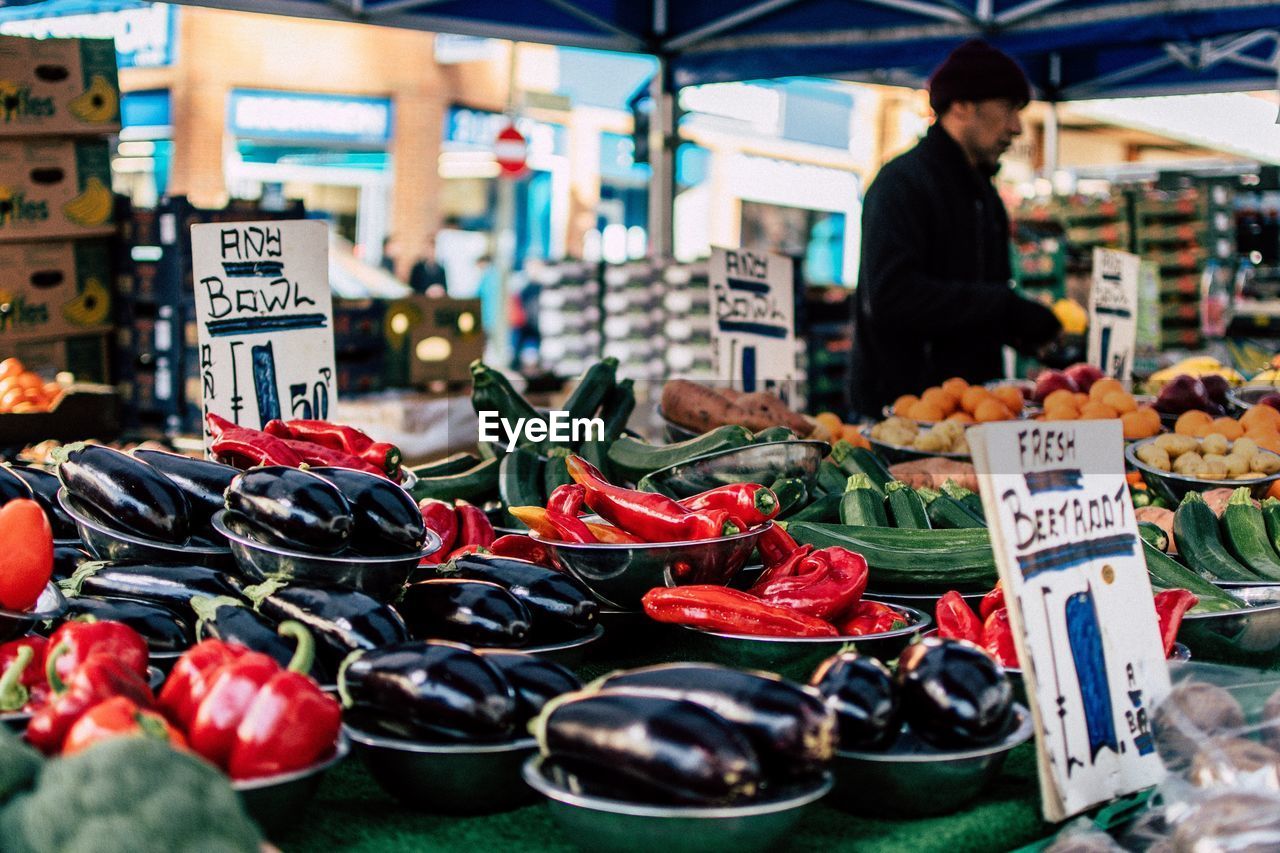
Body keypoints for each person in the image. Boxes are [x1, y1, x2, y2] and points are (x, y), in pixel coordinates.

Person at [850, 39, 1061, 416]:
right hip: (904, 417)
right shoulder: (901, 183)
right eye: (1008, 110)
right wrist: (1004, 307)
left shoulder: (984, 196)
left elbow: (976, 303)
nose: (1016, 128)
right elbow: (892, 297)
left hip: (974, 410)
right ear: (962, 106)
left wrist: (1027, 331)